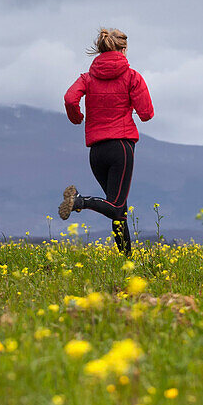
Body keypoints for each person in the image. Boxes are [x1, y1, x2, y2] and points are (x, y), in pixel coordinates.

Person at [59, 27, 153, 257]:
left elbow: (70, 98)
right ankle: (80, 201)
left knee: (117, 210)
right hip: (120, 147)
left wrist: (77, 117)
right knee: (118, 206)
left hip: (96, 152)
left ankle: (126, 260)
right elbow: (147, 113)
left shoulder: (87, 78)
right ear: (124, 50)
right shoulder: (132, 76)